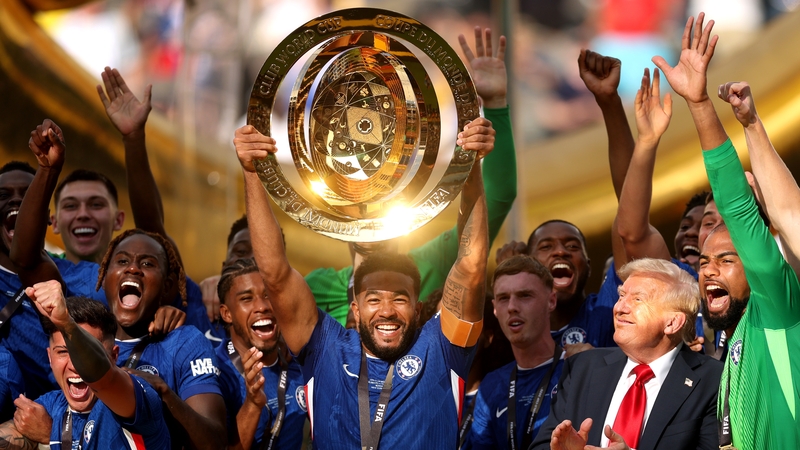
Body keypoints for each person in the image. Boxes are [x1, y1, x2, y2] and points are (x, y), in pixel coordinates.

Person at [234, 101, 493, 448]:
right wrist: (252, 172)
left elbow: (471, 265)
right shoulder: (325, 349)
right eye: (373, 299)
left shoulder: (442, 348)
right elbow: (275, 273)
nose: (386, 310)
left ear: (417, 309)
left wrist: (471, 165)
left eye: (399, 298)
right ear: (354, 310)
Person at [302, 26, 516, 325]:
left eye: (383, 196)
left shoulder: (431, 263)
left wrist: (495, 106)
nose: (371, 212)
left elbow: (497, 197)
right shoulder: (319, 288)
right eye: (361, 199)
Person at [655, 13, 800, 447]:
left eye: (727, 260)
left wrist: (700, 105)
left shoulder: (775, 307)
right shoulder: (729, 345)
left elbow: (737, 206)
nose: (710, 271)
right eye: (704, 262)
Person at [531, 258, 722, 450]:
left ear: (672, 323)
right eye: (621, 296)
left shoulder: (713, 380)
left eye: (638, 299)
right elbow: (541, 445)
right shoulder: (582, 368)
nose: (620, 308)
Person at [96, 66, 225, 342]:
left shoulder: (192, 316)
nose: (132, 268)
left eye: (147, 263)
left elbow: (152, 231)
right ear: (102, 278)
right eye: (121, 261)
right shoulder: (91, 332)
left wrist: (133, 140)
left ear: (169, 286)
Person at [0, 282, 169, 449]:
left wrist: (66, 323)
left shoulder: (133, 398)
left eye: (84, 351)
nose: (75, 365)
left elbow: (105, 379)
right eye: (63, 352)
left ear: (113, 356)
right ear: (49, 357)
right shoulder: (51, 405)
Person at [468, 255, 564, 449]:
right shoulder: (490, 387)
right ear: (495, 309)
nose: (512, 307)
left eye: (524, 295)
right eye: (504, 298)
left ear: (551, 301)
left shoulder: (580, 368)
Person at [215, 258, 306, 449]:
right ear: (226, 313)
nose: (263, 306)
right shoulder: (215, 370)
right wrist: (252, 404)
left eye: (269, 295)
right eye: (247, 299)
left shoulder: (300, 363)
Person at [51, 169, 125, 265]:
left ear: (118, 220)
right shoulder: (36, 272)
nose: (83, 214)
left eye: (96, 204)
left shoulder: (133, 274)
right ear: (55, 223)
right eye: (70, 206)